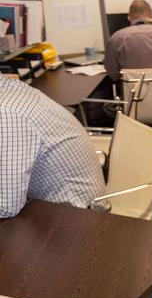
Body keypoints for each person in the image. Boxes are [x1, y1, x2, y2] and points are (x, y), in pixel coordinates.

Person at [0, 73, 106, 218]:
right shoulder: (10, 90)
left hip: (77, 217)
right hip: (55, 206)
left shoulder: (8, 113)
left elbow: (5, 206)